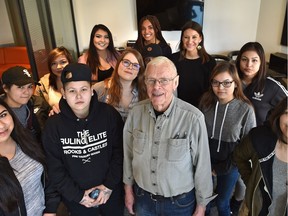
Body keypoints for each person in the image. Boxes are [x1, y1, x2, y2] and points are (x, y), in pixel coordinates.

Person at [123, 56, 215, 216]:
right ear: (145, 83)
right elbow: (128, 155)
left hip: (179, 204)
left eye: (164, 80)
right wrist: (128, 190)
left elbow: (202, 166)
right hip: (143, 198)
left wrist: (202, 205)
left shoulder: (193, 118)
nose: (156, 86)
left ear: (176, 82)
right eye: (151, 80)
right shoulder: (135, 113)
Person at [42, 63, 124, 216]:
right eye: (72, 91)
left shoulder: (109, 115)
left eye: (84, 89)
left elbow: (119, 153)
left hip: (111, 194)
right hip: (77, 200)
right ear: (63, 93)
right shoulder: (53, 126)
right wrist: (78, 196)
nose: (78, 96)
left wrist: (108, 186)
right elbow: (55, 168)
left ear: (92, 91)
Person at [199, 62, 256, 216]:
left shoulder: (246, 109)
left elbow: (247, 147)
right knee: (205, 200)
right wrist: (204, 165)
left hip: (231, 164)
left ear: (236, 84)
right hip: (205, 162)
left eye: (226, 83)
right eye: (216, 82)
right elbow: (198, 135)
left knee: (222, 202)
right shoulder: (206, 102)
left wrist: (221, 169)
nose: (220, 87)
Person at [0, 99, 58, 216]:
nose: (1, 125)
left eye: (3, 115)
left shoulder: (25, 140)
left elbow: (47, 176)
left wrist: (50, 210)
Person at [233, 97, 288, 216]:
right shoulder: (260, 138)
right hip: (254, 210)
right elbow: (239, 156)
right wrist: (251, 182)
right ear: (279, 115)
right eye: (287, 113)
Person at [236, 42, 288, 126]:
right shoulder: (231, 80)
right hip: (230, 133)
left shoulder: (272, 86)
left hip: (254, 135)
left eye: (254, 60)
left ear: (261, 62)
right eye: (244, 59)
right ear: (239, 61)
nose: (249, 64)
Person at [169, 20, 216, 108]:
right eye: (186, 37)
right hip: (178, 108)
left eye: (194, 37)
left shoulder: (210, 62)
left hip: (202, 108)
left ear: (200, 38)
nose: (190, 41)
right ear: (182, 38)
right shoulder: (173, 60)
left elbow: (211, 90)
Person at [93, 48, 147, 122]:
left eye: (135, 65)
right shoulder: (99, 88)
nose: (130, 67)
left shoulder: (144, 91)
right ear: (118, 64)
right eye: (126, 62)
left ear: (139, 72)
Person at [1, 66, 50, 141]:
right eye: (20, 87)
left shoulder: (38, 103)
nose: (27, 92)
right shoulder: (2, 112)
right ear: (5, 88)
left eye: (30, 86)